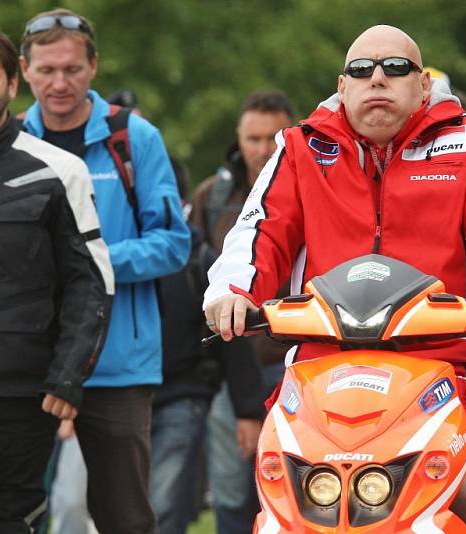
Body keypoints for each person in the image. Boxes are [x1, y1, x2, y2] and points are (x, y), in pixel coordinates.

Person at [204, 25, 466, 534]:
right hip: (322, 358)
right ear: (342, 85)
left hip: (441, 358)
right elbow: (259, 230)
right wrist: (231, 294)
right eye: (361, 70)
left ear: (421, 84)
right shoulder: (302, 145)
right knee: (283, 488)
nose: (377, 79)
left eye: (395, 69)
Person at [0, 24, 114, 533]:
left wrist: (67, 376)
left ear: (13, 84)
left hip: (22, 387)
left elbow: (91, 282)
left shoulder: (60, 170)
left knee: (14, 519)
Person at [19, 8, 191, 533]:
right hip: (26, 359)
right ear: (24, 71)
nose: (59, 83)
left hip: (117, 363)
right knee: (16, 507)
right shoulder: (10, 139)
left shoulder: (133, 138)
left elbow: (173, 245)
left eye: (71, 69)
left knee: (125, 517)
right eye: (46, 70)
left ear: (93, 67)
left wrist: (90, 263)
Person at [190, 90, 294, 533]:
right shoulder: (212, 197)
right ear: (238, 138)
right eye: (253, 138)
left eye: (273, 137)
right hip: (231, 367)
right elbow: (193, 277)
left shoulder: (308, 190)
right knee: (232, 488)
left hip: (291, 361)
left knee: (296, 485)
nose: (263, 148)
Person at [150, 157, 266, 534]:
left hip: (185, 392)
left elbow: (230, 338)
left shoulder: (198, 260)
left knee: (167, 503)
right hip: (116, 393)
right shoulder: (111, 254)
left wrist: (247, 410)